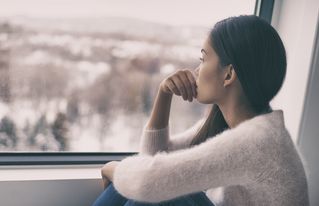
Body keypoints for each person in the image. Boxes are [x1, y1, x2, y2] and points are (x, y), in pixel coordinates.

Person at [92, 15, 309, 206]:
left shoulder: (258, 142)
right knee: (153, 185)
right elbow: (154, 158)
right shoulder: (230, 125)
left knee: (159, 189)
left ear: (228, 75)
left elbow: (147, 183)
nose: (197, 69)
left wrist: (112, 168)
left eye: (203, 59)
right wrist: (163, 94)